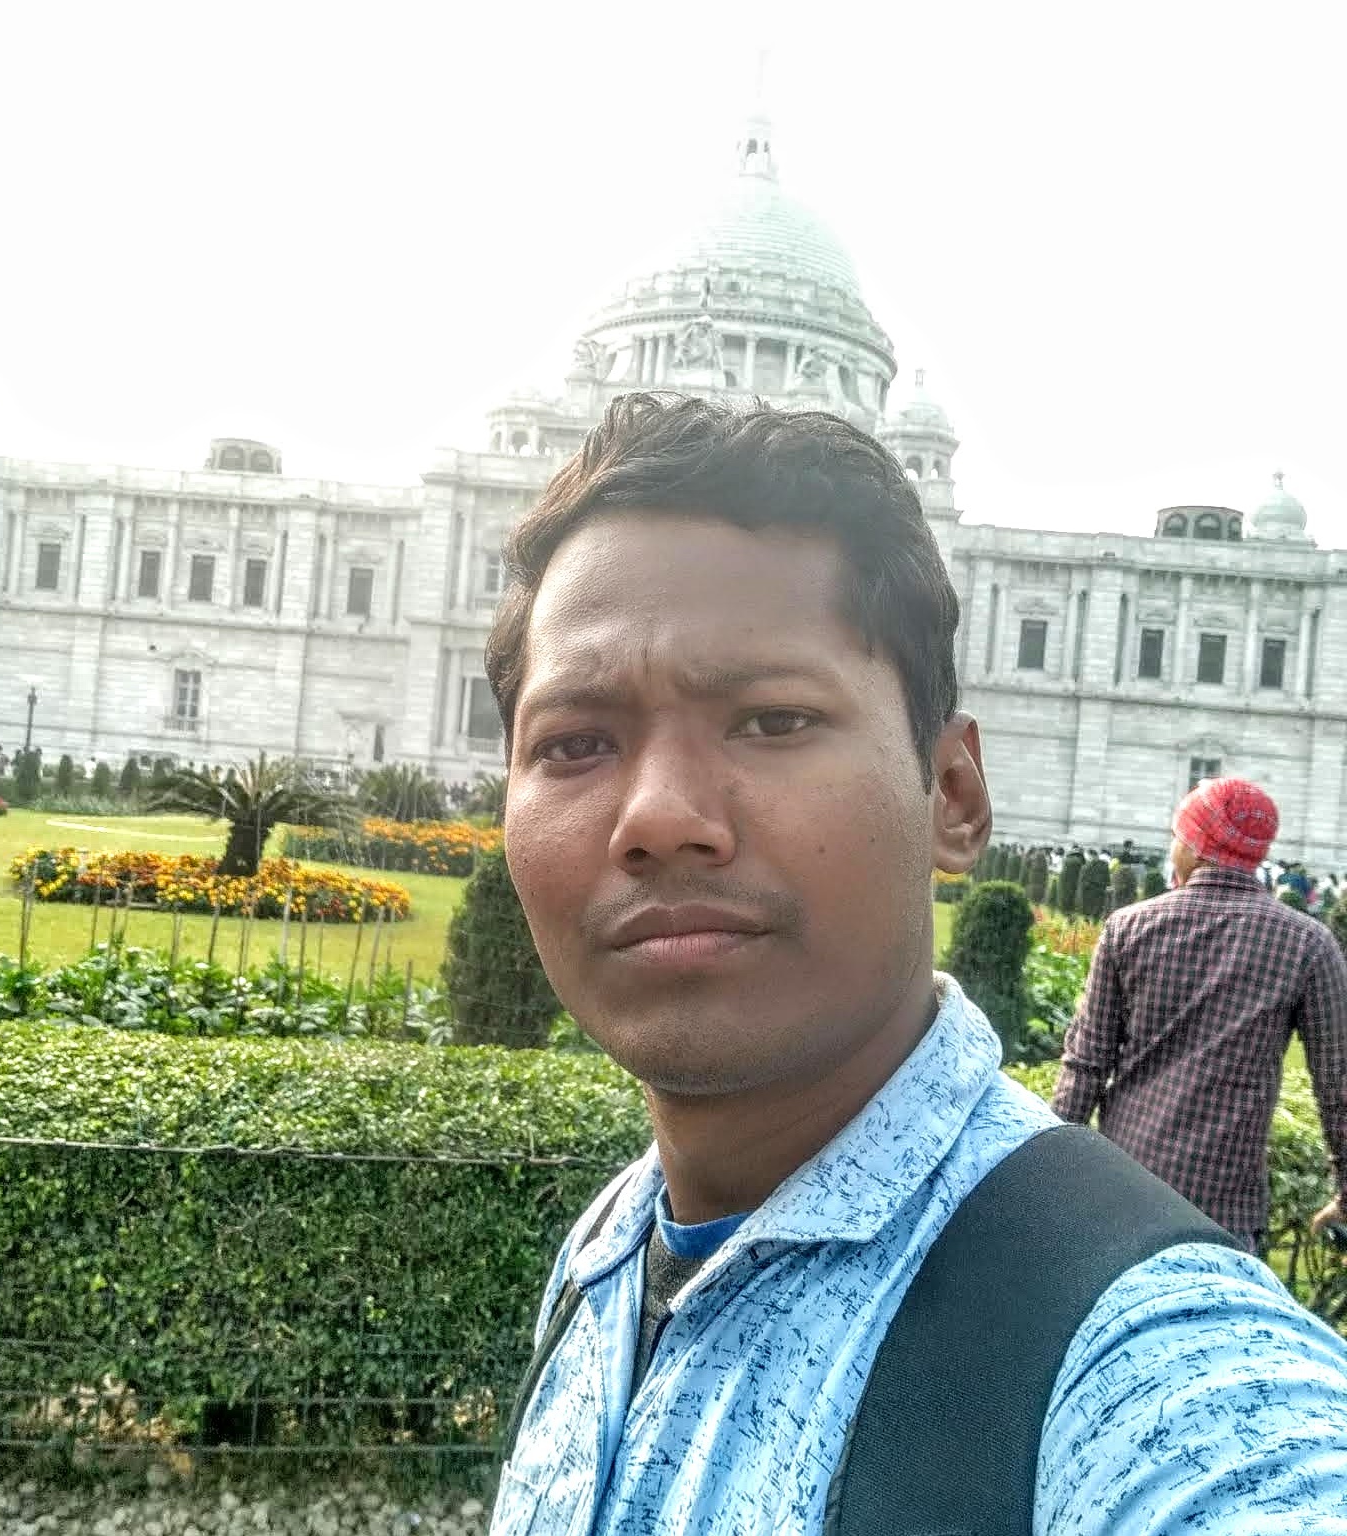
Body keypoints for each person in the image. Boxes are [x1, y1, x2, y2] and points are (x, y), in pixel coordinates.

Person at [487, 394, 1347, 1534]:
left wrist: (1043, 1216)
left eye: (771, 721)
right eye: (575, 743)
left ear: (952, 794)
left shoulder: (1156, 1372)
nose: (658, 817)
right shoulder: (606, 1255)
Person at [1054, 777, 1347, 1253]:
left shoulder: (1128, 927)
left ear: (1194, 846)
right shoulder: (1307, 944)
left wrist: (1042, 1172)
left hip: (1123, 1185)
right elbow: (1338, 1085)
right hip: (1222, 1209)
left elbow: (1085, 1067)